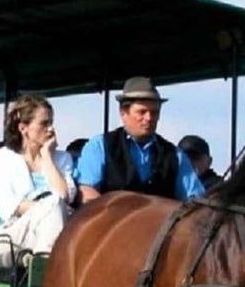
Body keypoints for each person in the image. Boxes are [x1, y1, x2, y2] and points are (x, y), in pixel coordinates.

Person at [73, 76, 204, 203]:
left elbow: (195, 201)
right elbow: (86, 192)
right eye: (142, 112)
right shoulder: (100, 146)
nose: (149, 118)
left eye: (154, 112)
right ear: (123, 113)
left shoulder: (175, 156)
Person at [0, 94, 77, 259]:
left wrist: (47, 157)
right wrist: (49, 208)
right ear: (23, 128)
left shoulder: (62, 158)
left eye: (51, 123)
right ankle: (44, 267)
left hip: (59, 230)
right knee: (53, 204)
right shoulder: (2, 158)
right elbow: (8, 206)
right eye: (44, 123)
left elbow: (65, 195)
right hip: (14, 234)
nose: (51, 129)